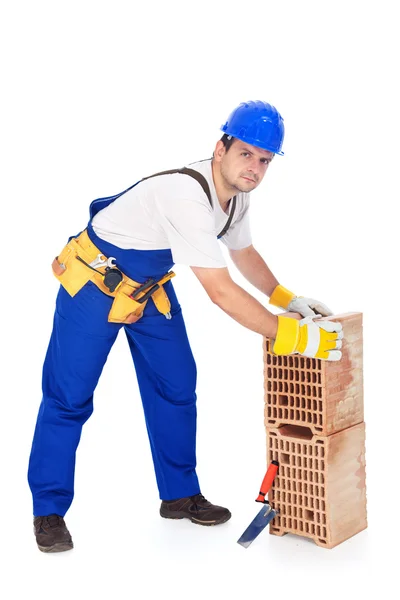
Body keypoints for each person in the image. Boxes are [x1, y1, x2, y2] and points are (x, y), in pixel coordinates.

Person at [28, 100, 343, 553]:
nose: (254, 167)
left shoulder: (236, 198)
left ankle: (178, 495)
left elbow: (244, 255)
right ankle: (48, 510)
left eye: (265, 160)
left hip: (148, 287)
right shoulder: (186, 194)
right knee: (68, 397)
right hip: (96, 283)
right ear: (221, 147)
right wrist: (294, 336)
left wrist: (285, 298)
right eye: (247, 154)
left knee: (177, 385)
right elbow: (220, 291)